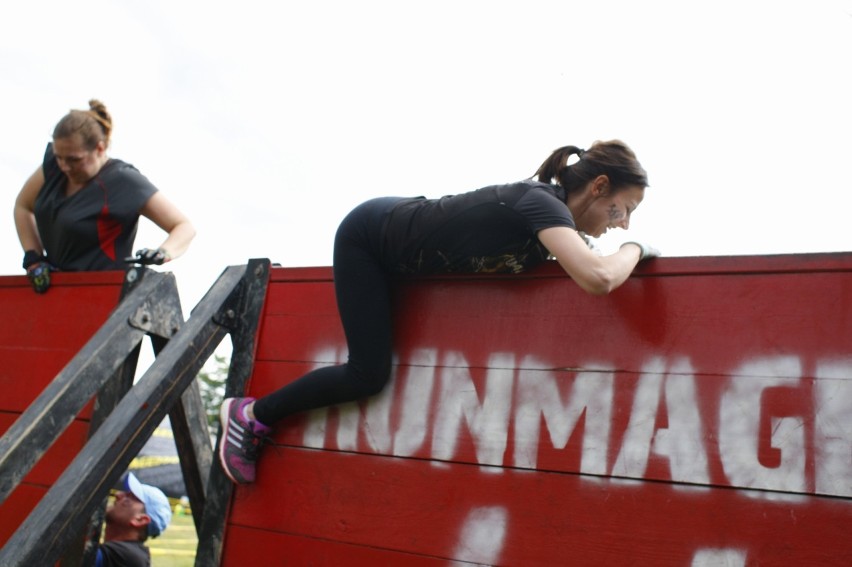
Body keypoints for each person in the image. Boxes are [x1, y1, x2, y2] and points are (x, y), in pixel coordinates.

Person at [218, 140, 658, 484]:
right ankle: (250, 415)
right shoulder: (540, 203)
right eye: (625, 209)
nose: (623, 223)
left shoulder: (556, 227)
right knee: (367, 374)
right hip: (369, 236)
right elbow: (598, 278)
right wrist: (635, 250)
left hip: (403, 255)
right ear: (599, 186)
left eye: (631, 221)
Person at [13, 99, 196, 293]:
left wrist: (163, 252)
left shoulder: (124, 181)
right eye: (59, 157)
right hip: (56, 291)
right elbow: (22, 206)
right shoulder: (53, 167)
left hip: (105, 297)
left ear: (100, 149)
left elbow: (184, 226)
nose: (64, 166)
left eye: (74, 159)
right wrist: (34, 257)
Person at [96, 472, 172, 567]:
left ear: (140, 520)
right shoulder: (129, 553)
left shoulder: (126, 556)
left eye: (129, 498)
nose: (118, 495)